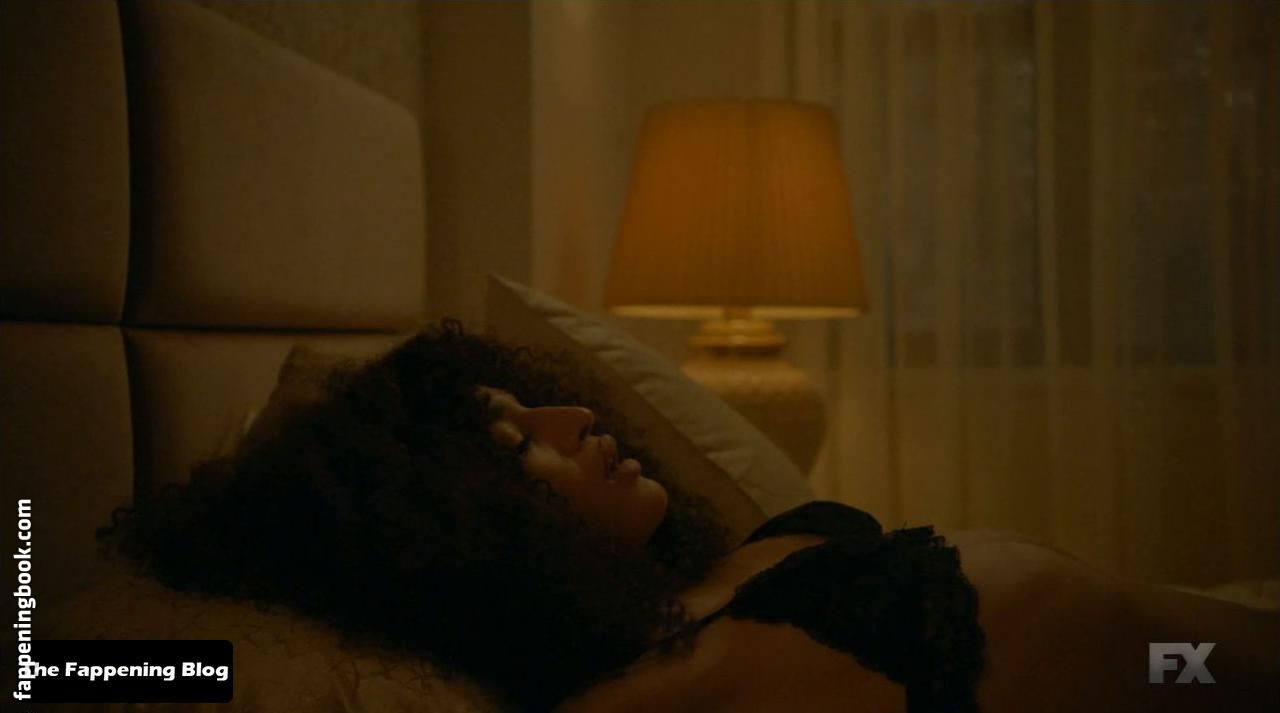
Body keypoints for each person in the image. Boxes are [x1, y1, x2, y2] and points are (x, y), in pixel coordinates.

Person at [108, 321, 1279, 713]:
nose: (575, 413)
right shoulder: (657, 685)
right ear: (453, 530)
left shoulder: (684, 594)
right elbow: (52, 665)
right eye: (518, 442)